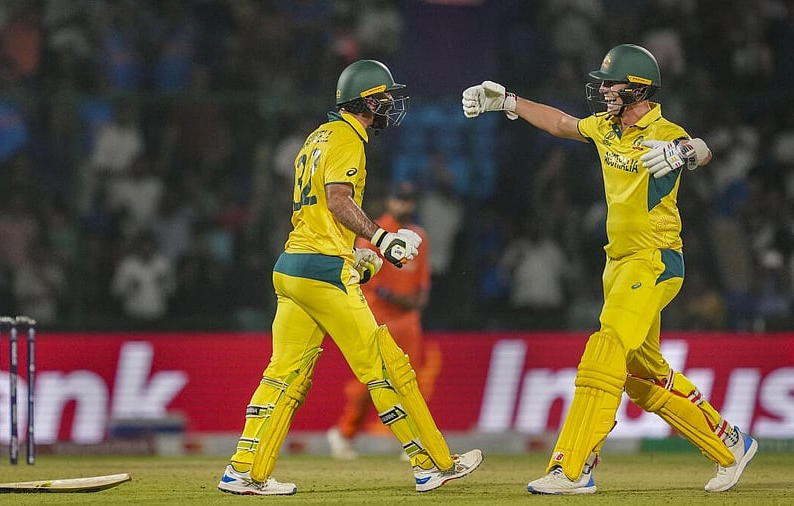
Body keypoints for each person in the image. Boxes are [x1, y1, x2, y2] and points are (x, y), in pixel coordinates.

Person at [462, 43, 757, 494]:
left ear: (638, 89)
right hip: (617, 264)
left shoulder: (665, 132)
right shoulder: (605, 127)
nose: (602, 91)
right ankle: (730, 444)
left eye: (611, 84)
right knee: (643, 378)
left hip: (654, 260)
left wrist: (686, 153)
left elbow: (701, 149)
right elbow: (561, 124)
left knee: (606, 348)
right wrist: (509, 102)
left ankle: (573, 467)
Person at [218, 59, 483, 496]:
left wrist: (359, 258)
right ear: (367, 101)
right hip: (323, 271)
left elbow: (320, 215)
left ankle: (244, 471)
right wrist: (382, 238)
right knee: (386, 365)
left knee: (283, 375)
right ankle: (432, 464)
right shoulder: (347, 139)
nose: (389, 106)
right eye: (384, 98)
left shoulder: (317, 136)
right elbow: (338, 200)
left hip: (293, 267)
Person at [327, 181, 440, 460]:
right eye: (399, 199)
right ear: (389, 201)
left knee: (410, 382)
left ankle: (416, 438)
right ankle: (345, 433)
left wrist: (413, 302)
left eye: (409, 200)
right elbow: (367, 283)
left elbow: (422, 284)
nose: (404, 204)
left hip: (408, 321)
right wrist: (396, 298)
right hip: (377, 318)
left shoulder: (418, 236)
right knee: (370, 382)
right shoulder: (374, 233)